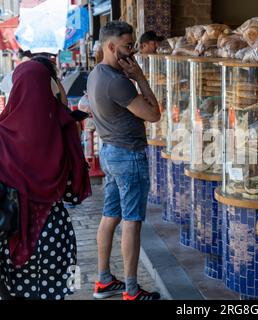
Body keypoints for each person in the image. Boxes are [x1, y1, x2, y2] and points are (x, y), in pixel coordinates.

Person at [0, 61, 92, 300]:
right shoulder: (64, 128)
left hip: (10, 233)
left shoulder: (2, 134)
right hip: (52, 231)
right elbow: (73, 191)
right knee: (54, 292)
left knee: (14, 292)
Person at [87, 21, 161, 301]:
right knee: (132, 221)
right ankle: (131, 290)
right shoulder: (117, 82)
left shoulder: (96, 74)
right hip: (128, 156)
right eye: (128, 47)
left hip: (110, 153)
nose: (132, 53)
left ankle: (103, 280)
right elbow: (154, 114)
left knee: (110, 216)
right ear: (110, 46)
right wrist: (140, 77)